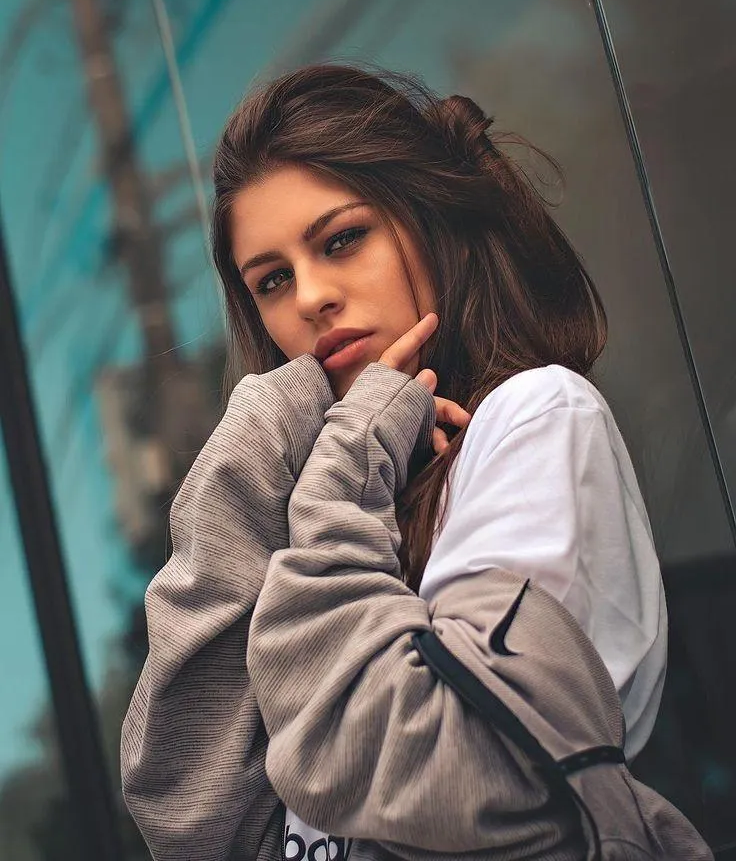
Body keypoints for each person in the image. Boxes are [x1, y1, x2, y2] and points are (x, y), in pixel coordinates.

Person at [120, 63, 712, 860]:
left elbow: (453, 772)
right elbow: (191, 821)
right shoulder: (332, 498)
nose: (310, 298)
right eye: (272, 280)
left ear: (427, 218)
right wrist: (254, 447)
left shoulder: (534, 418)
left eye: (342, 239)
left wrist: (352, 456)